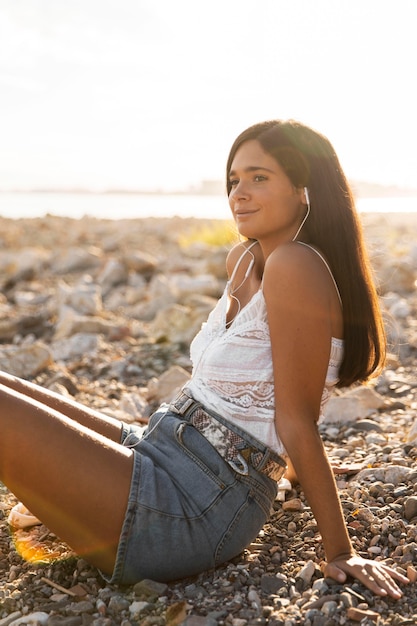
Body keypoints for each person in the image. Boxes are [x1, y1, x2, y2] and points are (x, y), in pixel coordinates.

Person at [0, 119, 409, 598]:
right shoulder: (245, 259)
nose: (239, 193)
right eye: (234, 180)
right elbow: (275, 379)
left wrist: (339, 551)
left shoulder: (296, 265)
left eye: (259, 177)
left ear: (305, 189)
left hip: (198, 505)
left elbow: (296, 416)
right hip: (161, 445)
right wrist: (291, 469)